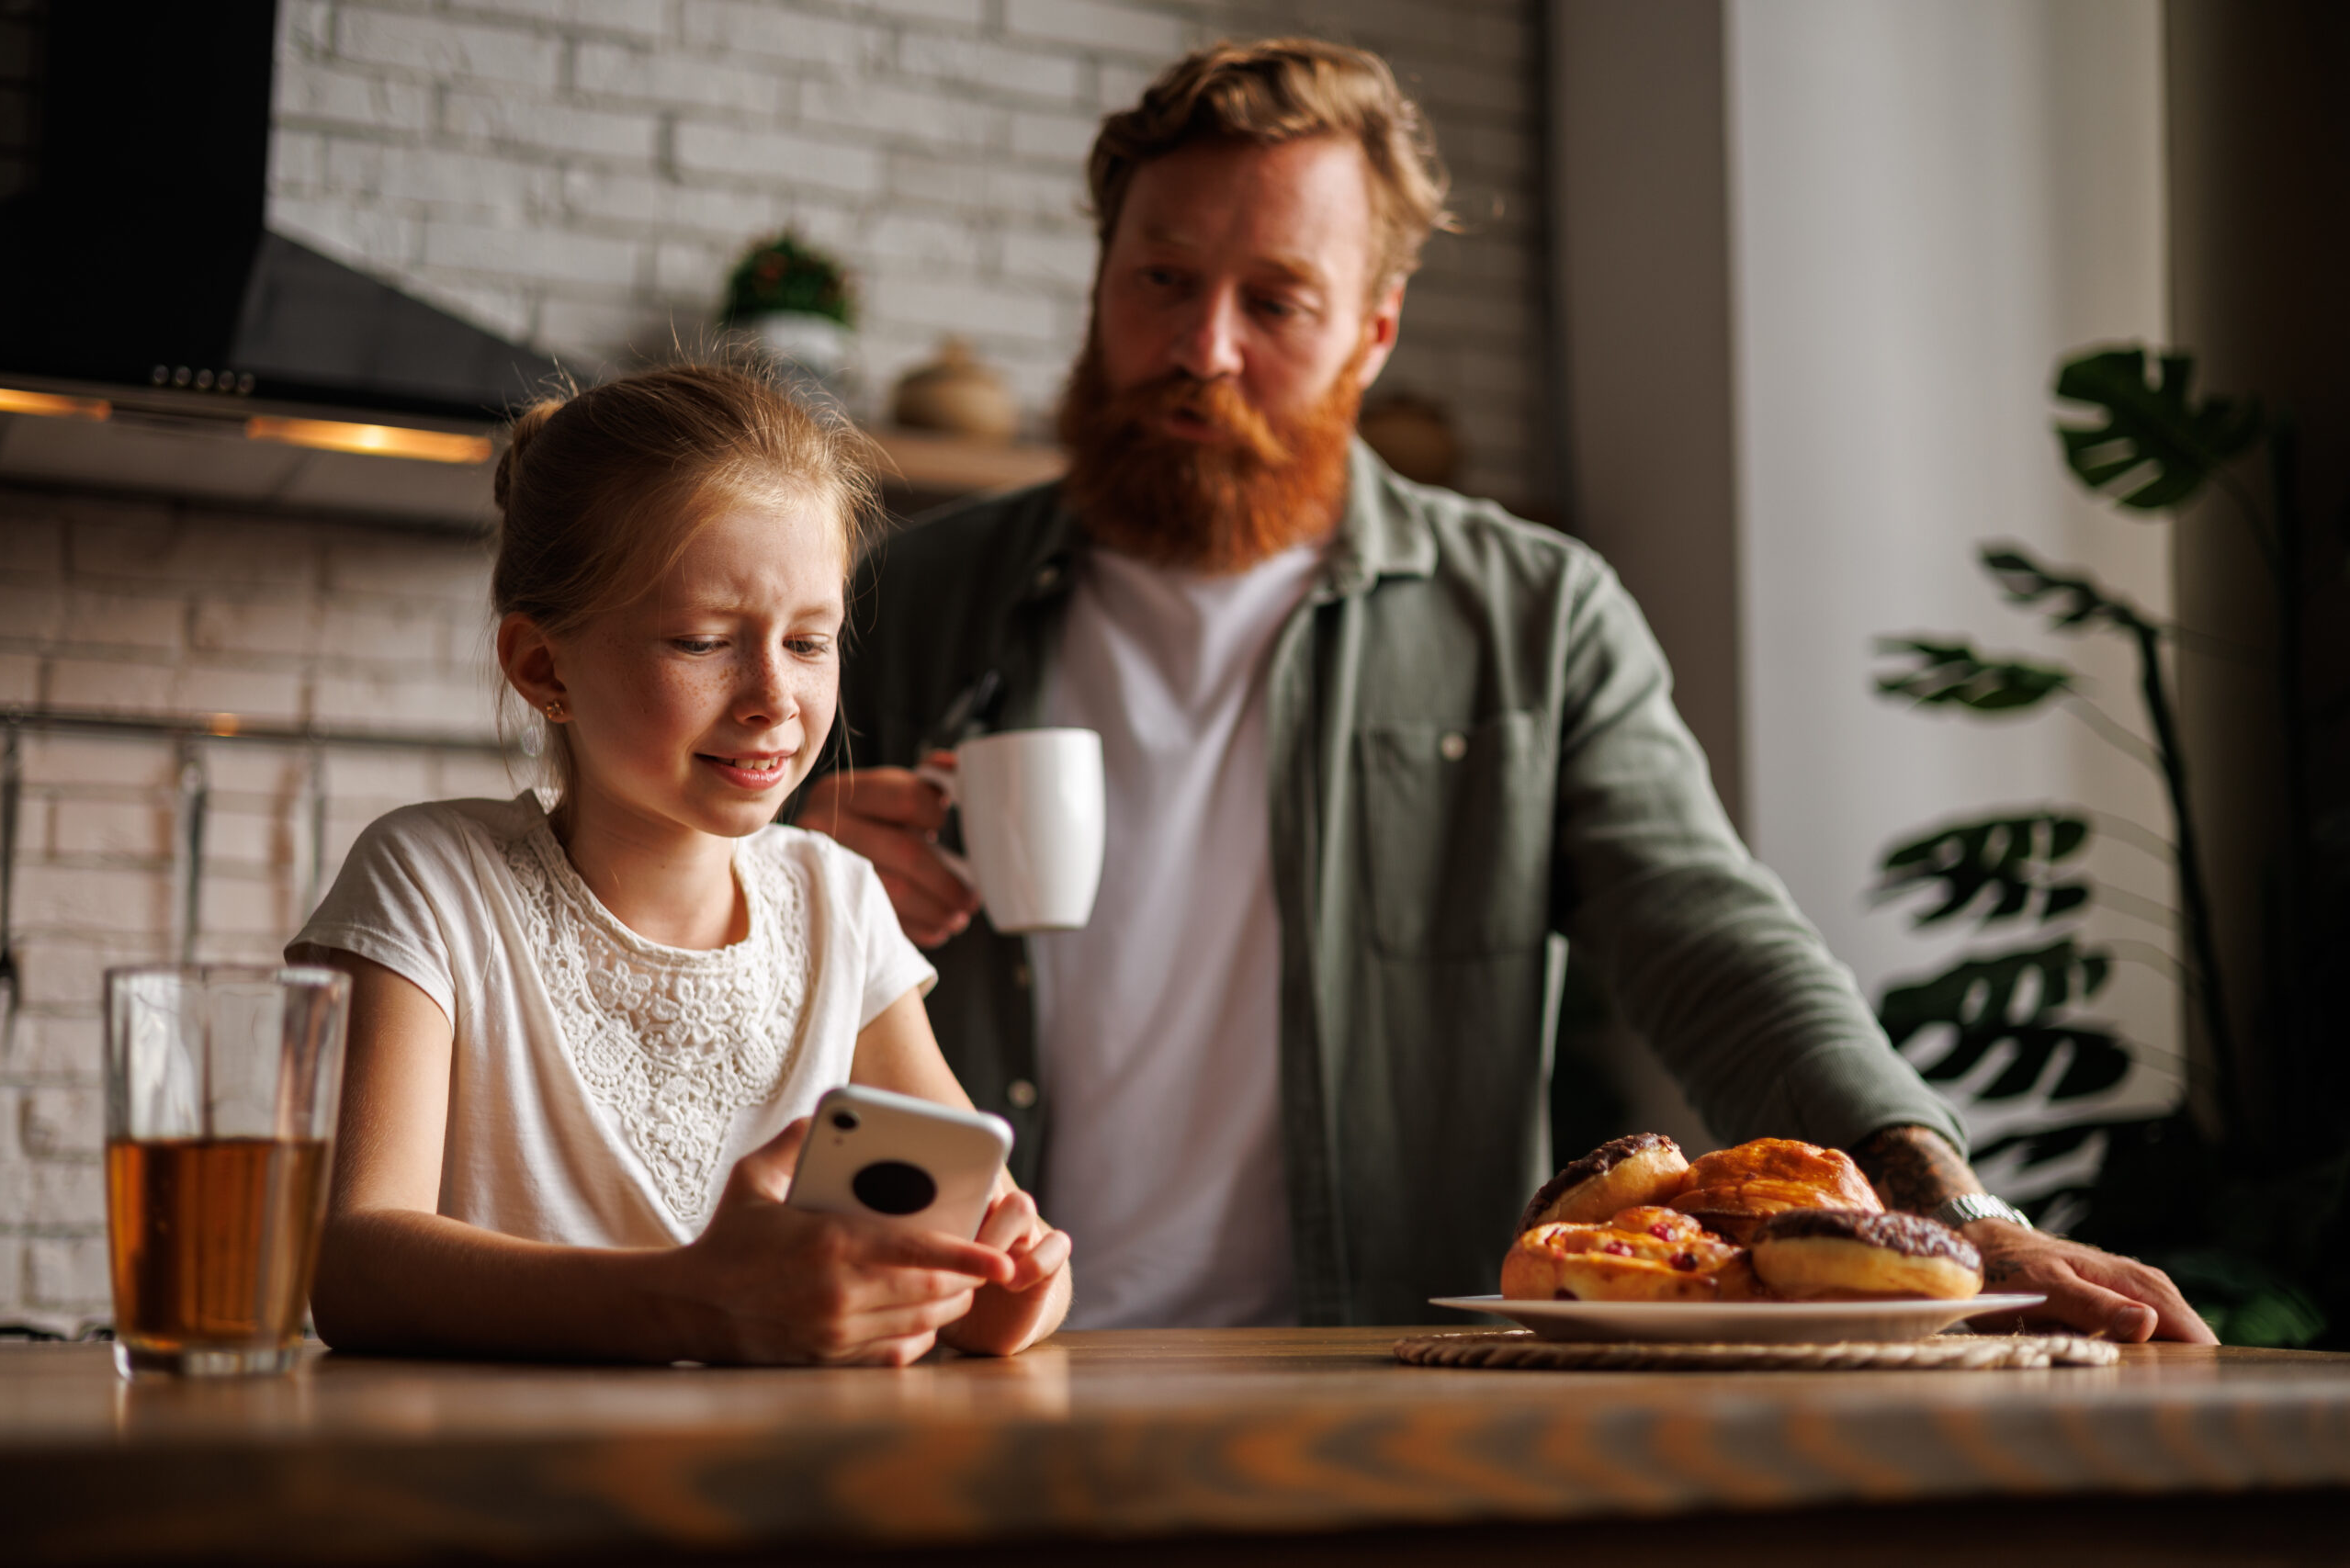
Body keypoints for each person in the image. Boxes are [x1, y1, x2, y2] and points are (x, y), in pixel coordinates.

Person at [801, 39, 2212, 1342]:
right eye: (1160, 279)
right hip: (963, 1351)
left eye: (1277, 299)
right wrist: (789, 881)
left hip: (1383, 1369)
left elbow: (1716, 945)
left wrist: (1954, 1209)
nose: (1202, 347)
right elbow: (643, 923)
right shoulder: (899, 601)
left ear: (1374, 332)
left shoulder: (1534, 616)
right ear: (1102, 278)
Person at [291, 364, 1072, 1365]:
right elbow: (353, 1266)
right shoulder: (431, 882)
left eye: (809, 641)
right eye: (704, 642)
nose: (772, 698)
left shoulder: (837, 902)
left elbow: (972, 1230)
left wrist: (1007, 1290)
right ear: (542, 668)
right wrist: (690, 1303)